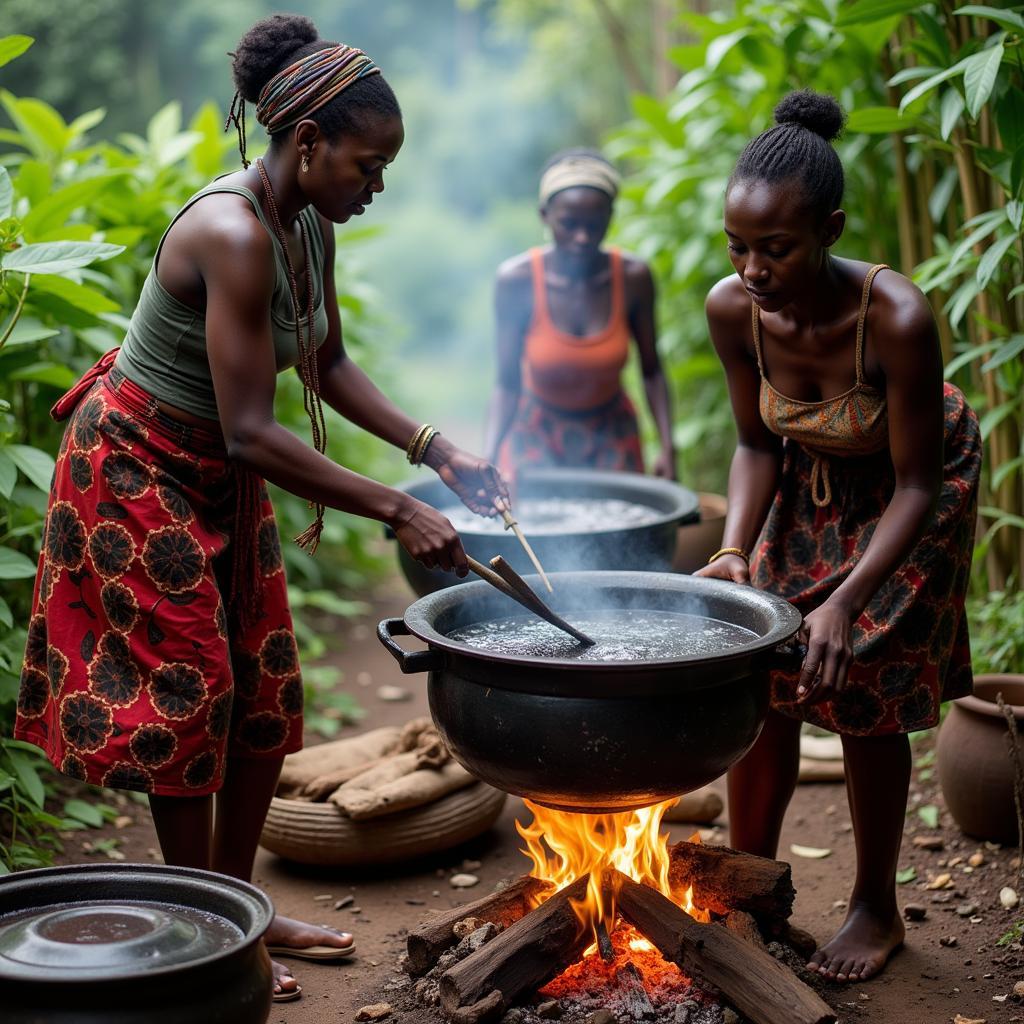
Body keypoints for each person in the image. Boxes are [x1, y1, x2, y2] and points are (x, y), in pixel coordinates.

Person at [13, 14, 508, 1004]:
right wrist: (395, 509)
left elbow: (324, 360)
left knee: (265, 685)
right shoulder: (232, 231)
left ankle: (238, 903)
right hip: (135, 466)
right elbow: (248, 428)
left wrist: (433, 449)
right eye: (369, 164)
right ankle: (205, 928)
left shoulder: (306, 225)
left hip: (214, 469)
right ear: (310, 143)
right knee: (192, 690)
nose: (377, 185)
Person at [697, 90, 980, 983]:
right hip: (809, 482)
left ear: (830, 229)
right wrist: (738, 549)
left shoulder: (894, 315)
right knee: (766, 664)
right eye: (738, 247)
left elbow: (917, 481)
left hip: (910, 490)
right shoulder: (733, 309)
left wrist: (848, 601)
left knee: (860, 678)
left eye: (775, 248)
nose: (752, 269)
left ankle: (874, 906)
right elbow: (753, 444)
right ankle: (751, 881)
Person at [485, 149, 676, 479]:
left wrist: (668, 447)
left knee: (623, 526)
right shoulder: (516, 281)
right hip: (537, 431)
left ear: (610, 216)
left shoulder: (633, 278)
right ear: (544, 215)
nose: (582, 238)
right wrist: (488, 456)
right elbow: (506, 383)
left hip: (612, 432)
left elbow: (652, 371)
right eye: (569, 224)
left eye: (594, 224)